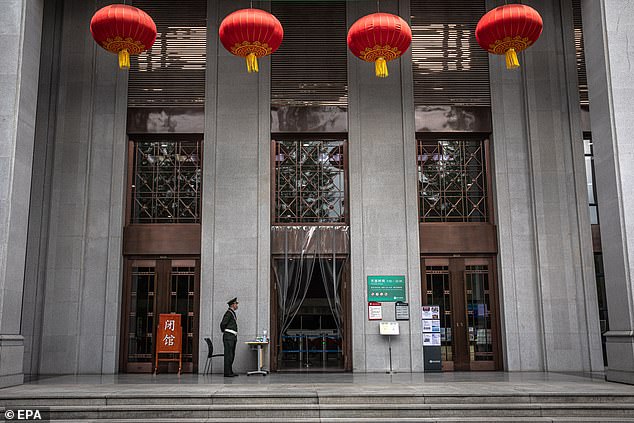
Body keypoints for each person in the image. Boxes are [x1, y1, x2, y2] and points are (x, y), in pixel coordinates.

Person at [220, 297, 239, 377]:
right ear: (232, 304)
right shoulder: (228, 313)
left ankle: (230, 371)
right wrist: (226, 331)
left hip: (232, 336)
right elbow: (223, 324)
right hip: (229, 337)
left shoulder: (232, 313)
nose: (237, 305)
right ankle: (227, 372)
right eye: (236, 304)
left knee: (231, 354)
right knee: (228, 355)